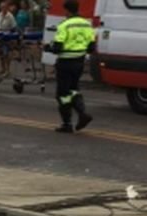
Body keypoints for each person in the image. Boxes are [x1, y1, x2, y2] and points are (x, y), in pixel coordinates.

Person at [44, 0, 95, 132]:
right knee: (73, 89)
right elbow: (91, 47)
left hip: (65, 62)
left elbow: (58, 48)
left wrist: (47, 47)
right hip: (79, 61)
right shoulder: (87, 24)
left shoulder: (64, 25)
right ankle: (82, 113)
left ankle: (68, 123)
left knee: (62, 94)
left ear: (66, 10)